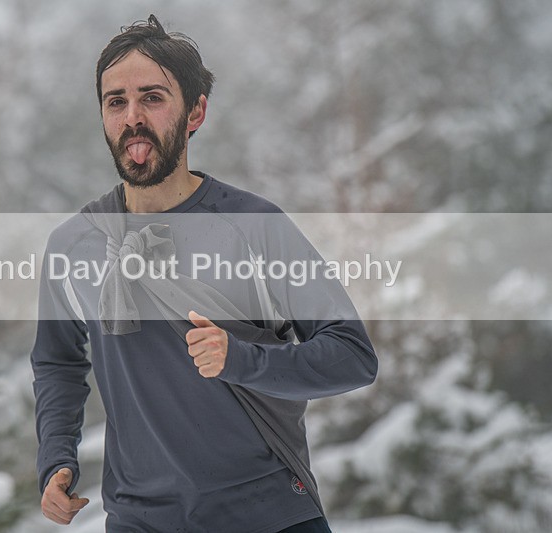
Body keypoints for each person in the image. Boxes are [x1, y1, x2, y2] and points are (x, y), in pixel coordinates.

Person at [31, 15, 378, 532]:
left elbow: (352, 356)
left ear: (195, 112)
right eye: (116, 101)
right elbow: (58, 363)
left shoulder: (252, 225)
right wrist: (56, 458)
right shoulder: (74, 244)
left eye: (152, 97)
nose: (132, 117)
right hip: (139, 519)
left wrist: (241, 359)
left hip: (268, 513)